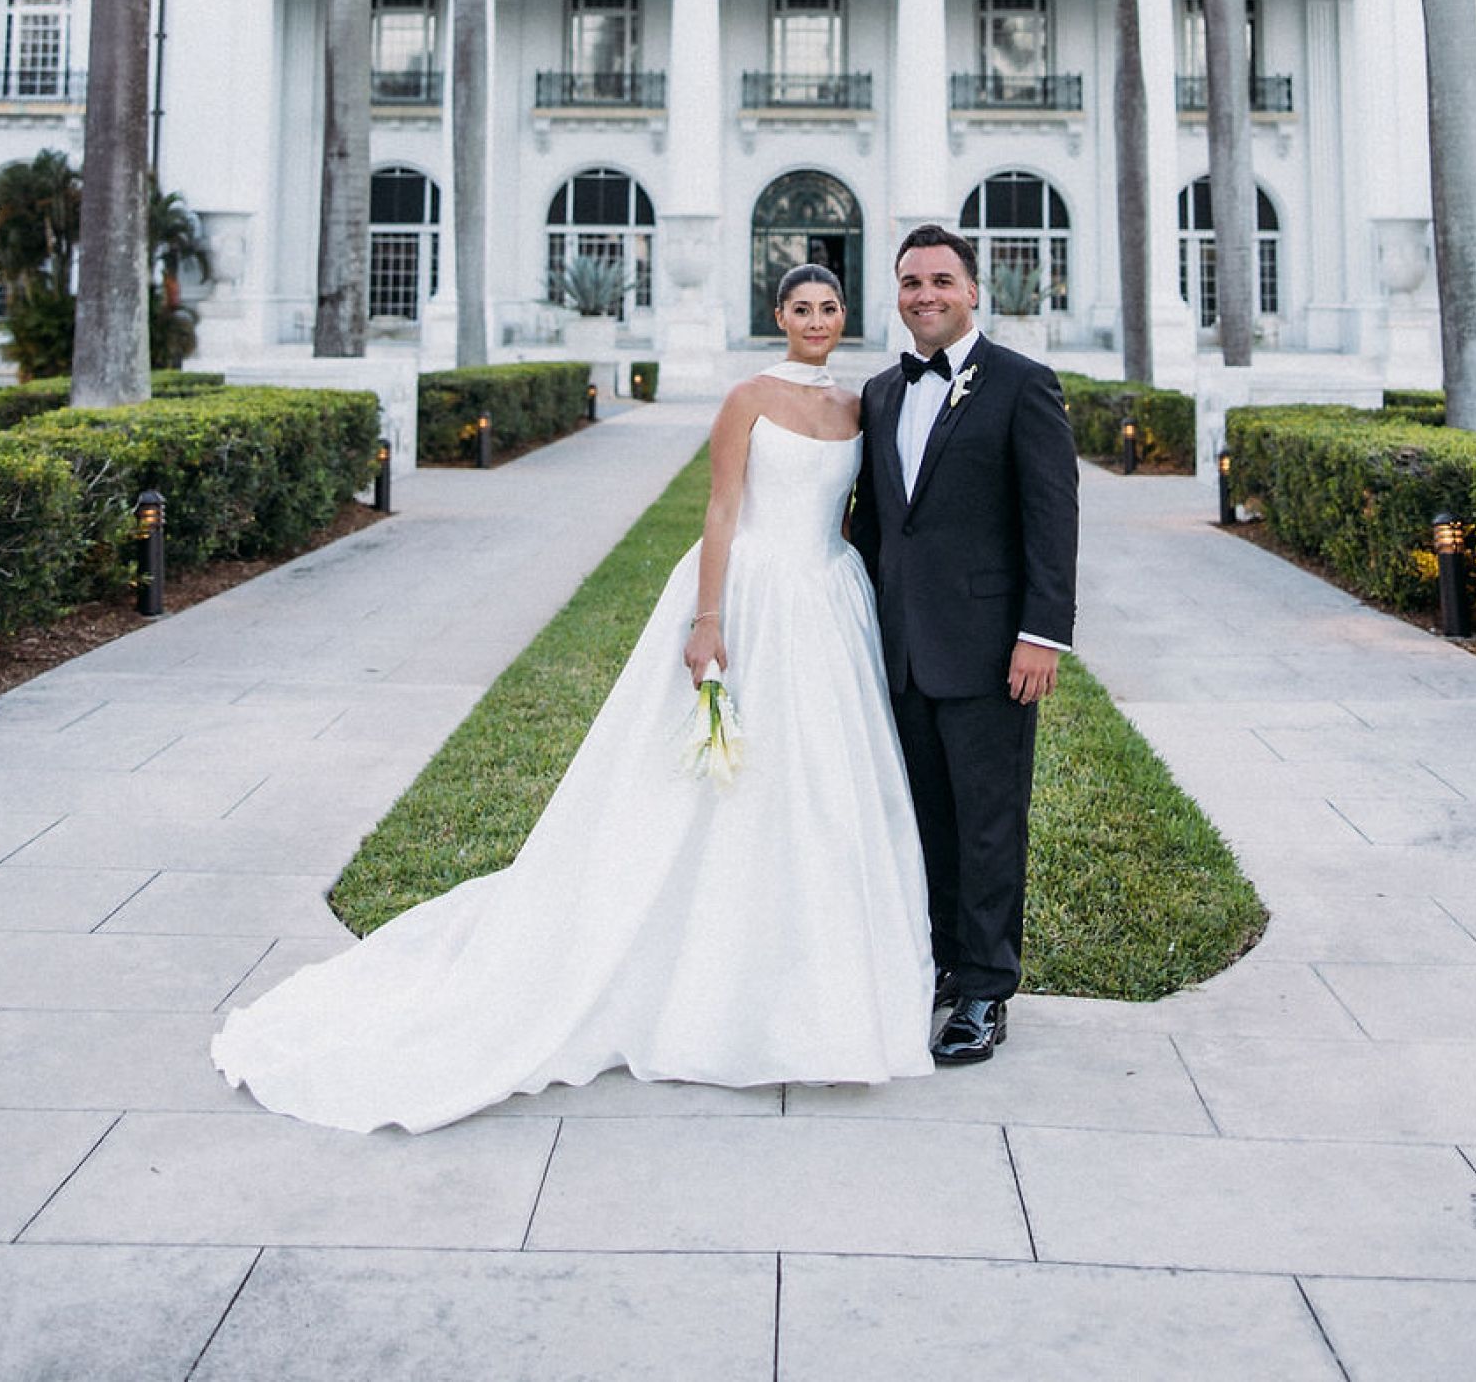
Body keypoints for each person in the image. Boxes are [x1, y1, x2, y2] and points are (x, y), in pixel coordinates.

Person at [211, 263, 933, 1131]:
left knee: (818, 782)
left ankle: (815, 976)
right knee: (714, 785)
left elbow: (857, 512)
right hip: (750, 592)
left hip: (827, 602)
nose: (816, 320)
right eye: (801, 308)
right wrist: (708, 619)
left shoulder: (857, 406)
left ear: (843, 317)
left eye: (829, 308)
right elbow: (718, 512)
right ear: (776, 314)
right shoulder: (746, 397)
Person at [850, 223, 1079, 1065]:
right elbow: (877, 526)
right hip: (903, 651)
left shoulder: (1023, 385)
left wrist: (1041, 635)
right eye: (911, 282)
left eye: (942, 280)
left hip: (992, 650)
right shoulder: (879, 394)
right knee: (928, 823)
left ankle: (986, 989)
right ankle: (945, 965)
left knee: (988, 825)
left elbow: (1053, 520)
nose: (926, 295)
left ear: (973, 291)